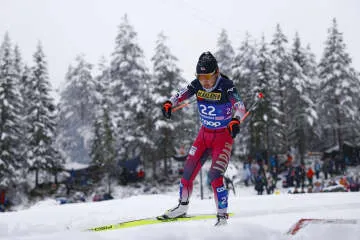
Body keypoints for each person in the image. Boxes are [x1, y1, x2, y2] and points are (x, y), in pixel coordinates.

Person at [161, 51, 246, 226]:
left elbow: (240, 106)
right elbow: (181, 94)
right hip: (204, 135)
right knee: (187, 173)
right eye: (201, 77)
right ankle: (182, 207)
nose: (205, 81)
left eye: (208, 76)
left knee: (215, 176)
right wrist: (169, 103)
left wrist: (235, 120)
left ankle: (222, 217)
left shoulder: (226, 86)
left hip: (222, 138)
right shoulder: (197, 85)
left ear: (217, 72)